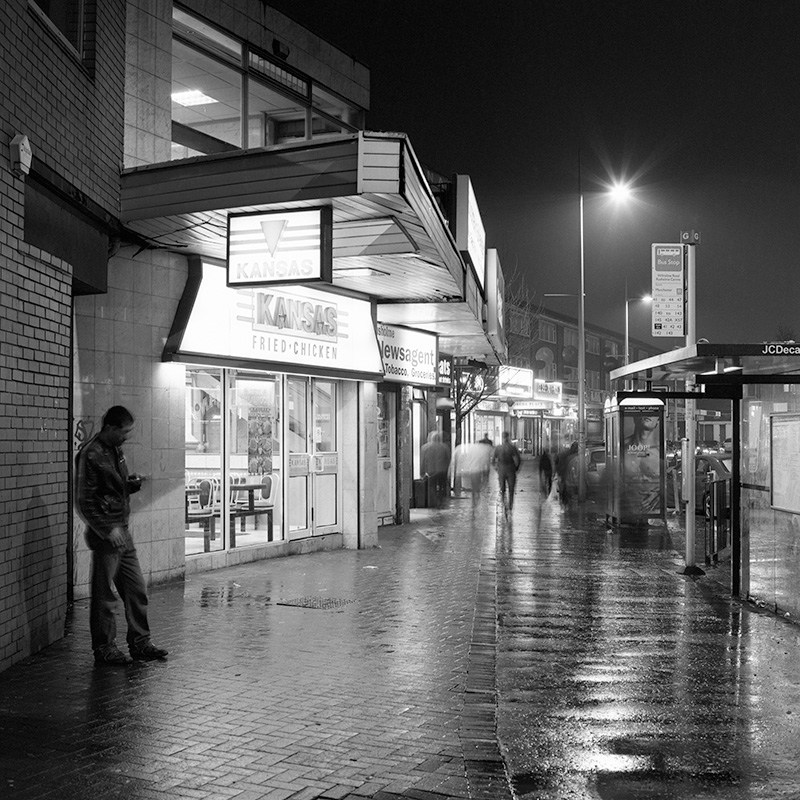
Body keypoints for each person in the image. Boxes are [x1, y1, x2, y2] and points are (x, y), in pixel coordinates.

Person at [75, 406, 168, 665]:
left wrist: (129, 485)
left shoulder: (115, 450)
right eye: (124, 432)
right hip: (107, 535)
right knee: (104, 594)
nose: (127, 437)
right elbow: (84, 501)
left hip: (121, 531)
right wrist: (108, 529)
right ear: (111, 428)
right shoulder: (90, 454)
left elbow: (109, 486)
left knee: (136, 588)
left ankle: (140, 642)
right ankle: (104, 648)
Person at [622, 413, 662, 515]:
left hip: (652, 512)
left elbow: (672, 479)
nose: (647, 414)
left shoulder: (660, 451)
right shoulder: (621, 448)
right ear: (634, 417)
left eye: (653, 413)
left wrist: (659, 493)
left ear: (658, 421)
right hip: (627, 512)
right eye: (641, 412)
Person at [456, 437, 494, 505]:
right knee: (477, 484)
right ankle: (476, 499)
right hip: (478, 470)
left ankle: (475, 499)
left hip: (473, 469)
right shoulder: (483, 450)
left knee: (475, 484)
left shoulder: (472, 449)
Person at [492, 432, 522, 512]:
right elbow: (518, 459)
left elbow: (492, 460)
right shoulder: (512, 447)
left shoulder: (498, 448)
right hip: (511, 469)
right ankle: (510, 506)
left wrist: (497, 468)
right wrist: (516, 468)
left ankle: (504, 504)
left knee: (502, 489)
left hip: (501, 469)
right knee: (511, 489)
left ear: (502, 437)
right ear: (508, 437)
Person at [420, 431, 450, 507]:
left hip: (431, 471)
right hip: (443, 471)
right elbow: (449, 460)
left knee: (432, 487)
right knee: (442, 487)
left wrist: (422, 472)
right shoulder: (445, 447)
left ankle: (434, 503)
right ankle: (441, 501)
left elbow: (423, 461)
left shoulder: (425, 447)